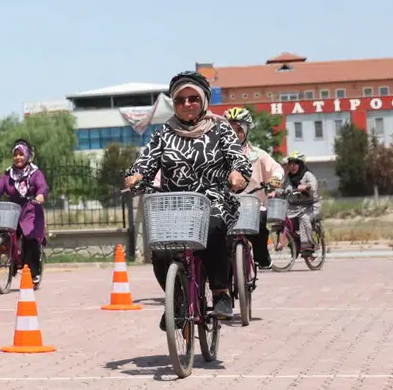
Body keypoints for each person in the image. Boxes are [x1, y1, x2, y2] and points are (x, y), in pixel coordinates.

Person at [125, 71, 251, 320]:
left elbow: (239, 158)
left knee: (214, 229)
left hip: (213, 199)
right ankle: (177, 300)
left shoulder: (220, 129)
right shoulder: (164, 133)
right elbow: (145, 162)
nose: (187, 104)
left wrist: (238, 174)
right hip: (176, 203)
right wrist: (136, 175)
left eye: (193, 98)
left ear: (203, 100)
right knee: (160, 250)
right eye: (180, 100)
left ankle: (220, 293)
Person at [223, 107, 285, 269]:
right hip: (226, 204)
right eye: (230, 129)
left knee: (260, 227)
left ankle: (261, 257)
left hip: (253, 205)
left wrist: (275, 178)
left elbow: (276, 169)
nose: (235, 133)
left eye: (239, 129)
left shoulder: (257, 155)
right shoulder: (217, 155)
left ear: (246, 130)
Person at [0, 139, 48, 284]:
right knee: (7, 233)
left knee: (29, 237)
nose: (18, 157)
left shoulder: (35, 172)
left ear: (27, 156)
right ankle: (10, 258)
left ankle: (34, 271)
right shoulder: (9, 174)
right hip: (14, 209)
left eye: (21, 154)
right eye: (15, 154)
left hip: (31, 209)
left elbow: (42, 187)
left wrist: (40, 195)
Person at [281, 151, 321, 253]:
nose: (292, 166)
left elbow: (314, 185)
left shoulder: (307, 175)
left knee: (304, 218)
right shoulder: (288, 178)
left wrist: (306, 187)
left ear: (301, 164)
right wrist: (275, 192)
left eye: (295, 163)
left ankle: (308, 244)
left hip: (311, 206)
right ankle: (295, 243)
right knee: (283, 220)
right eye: (290, 164)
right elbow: (283, 188)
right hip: (294, 208)